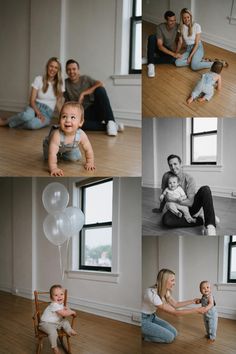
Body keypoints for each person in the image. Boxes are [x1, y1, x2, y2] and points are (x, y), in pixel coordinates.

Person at [142, 269, 207, 343]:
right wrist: (196, 310)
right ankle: (145, 335)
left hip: (152, 317)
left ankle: (149, 331)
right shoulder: (151, 294)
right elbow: (175, 313)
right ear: (164, 281)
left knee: (174, 333)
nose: (174, 283)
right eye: (172, 280)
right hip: (143, 320)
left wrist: (192, 301)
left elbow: (176, 304)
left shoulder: (165, 290)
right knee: (169, 338)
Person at [160, 154, 218, 235]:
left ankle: (210, 225)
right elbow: (163, 192)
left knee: (205, 189)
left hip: (190, 207)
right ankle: (204, 218)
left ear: (181, 164)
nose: (173, 167)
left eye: (175, 164)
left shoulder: (189, 178)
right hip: (176, 209)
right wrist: (160, 209)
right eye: (170, 165)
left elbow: (190, 202)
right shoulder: (166, 176)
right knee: (166, 221)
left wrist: (173, 199)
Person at [64, 59, 124, 136]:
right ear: (66, 71)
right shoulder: (65, 83)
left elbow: (100, 83)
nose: (71, 72)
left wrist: (83, 93)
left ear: (78, 70)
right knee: (79, 126)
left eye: (74, 69)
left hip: (95, 110)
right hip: (81, 114)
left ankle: (111, 121)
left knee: (100, 89)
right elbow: (65, 102)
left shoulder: (85, 78)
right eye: (69, 70)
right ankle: (111, 126)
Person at [0, 57, 64, 129]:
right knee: (26, 116)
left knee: (32, 125)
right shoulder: (38, 79)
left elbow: (59, 103)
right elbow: (32, 100)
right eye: (51, 66)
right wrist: (38, 113)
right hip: (35, 106)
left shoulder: (60, 84)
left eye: (56, 67)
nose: (53, 69)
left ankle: (14, 122)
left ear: (58, 70)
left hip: (47, 113)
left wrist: (63, 118)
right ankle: (5, 122)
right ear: (47, 67)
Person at [43, 101, 95, 176]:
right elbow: (52, 153)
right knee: (49, 158)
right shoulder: (57, 135)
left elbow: (88, 149)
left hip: (68, 148)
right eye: (64, 116)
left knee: (76, 157)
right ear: (59, 119)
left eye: (73, 117)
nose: (68, 120)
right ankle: (58, 155)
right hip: (50, 146)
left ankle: (62, 155)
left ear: (80, 122)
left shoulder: (81, 135)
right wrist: (54, 168)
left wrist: (90, 162)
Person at [39, 284, 77, 354]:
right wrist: (72, 312)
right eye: (56, 295)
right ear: (51, 298)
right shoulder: (54, 305)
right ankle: (54, 347)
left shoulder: (60, 304)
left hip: (56, 322)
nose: (59, 296)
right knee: (53, 332)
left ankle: (69, 330)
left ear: (64, 295)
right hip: (46, 323)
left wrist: (69, 309)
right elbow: (63, 313)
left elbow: (65, 308)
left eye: (61, 294)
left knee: (65, 322)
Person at [147, 11, 182, 78]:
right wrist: (174, 54)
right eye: (171, 21)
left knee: (173, 59)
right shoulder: (160, 27)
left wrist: (176, 53)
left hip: (167, 49)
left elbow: (180, 41)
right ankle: (151, 64)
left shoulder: (178, 26)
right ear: (166, 20)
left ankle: (150, 59)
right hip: (158, 48)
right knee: (152, 37)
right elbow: (160, 46)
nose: (173, 22)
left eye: (174, 20)